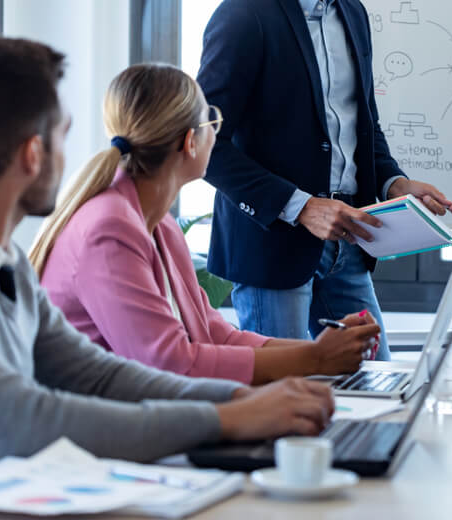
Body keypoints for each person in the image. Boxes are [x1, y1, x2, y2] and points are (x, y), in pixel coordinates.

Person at [0, 38, 334, 520]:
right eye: (63, 135)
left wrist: (242, 401)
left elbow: (96, 376)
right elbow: (20, 421)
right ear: (33, 154)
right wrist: (226, 420)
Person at [197, 0, 452, 354]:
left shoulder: (353, 14)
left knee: (378, 385)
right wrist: (301, 208)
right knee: (287, 401)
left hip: (349, 249)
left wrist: (396, 183)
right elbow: (204, 144)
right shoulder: (242, 17)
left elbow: (362, 129)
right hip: (274, 250)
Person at [29, 63, 380, 385]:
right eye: (212, 120)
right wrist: (316, 359)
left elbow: (216, 335)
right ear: (190, 142)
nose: (218, 132)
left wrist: (321, 351)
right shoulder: (109, 229)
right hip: (95, 435)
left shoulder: (158, 225)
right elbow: (171, 365)